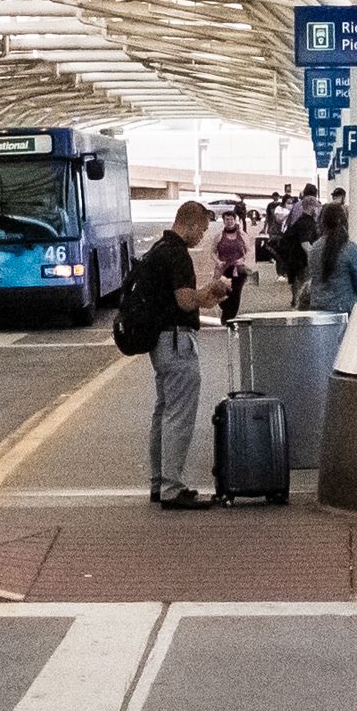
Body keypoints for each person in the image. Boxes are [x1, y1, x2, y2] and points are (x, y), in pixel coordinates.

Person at [124, 200, 217, 506]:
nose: (202, 236)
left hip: (159, 342)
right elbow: (186, 301)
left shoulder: (158, 249)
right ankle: (172, 488)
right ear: (189, 224)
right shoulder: (177, 254)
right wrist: (212, 291)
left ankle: (158, 482)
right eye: (201, 230)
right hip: (177, 341)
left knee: (163, 413)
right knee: (179, 415)